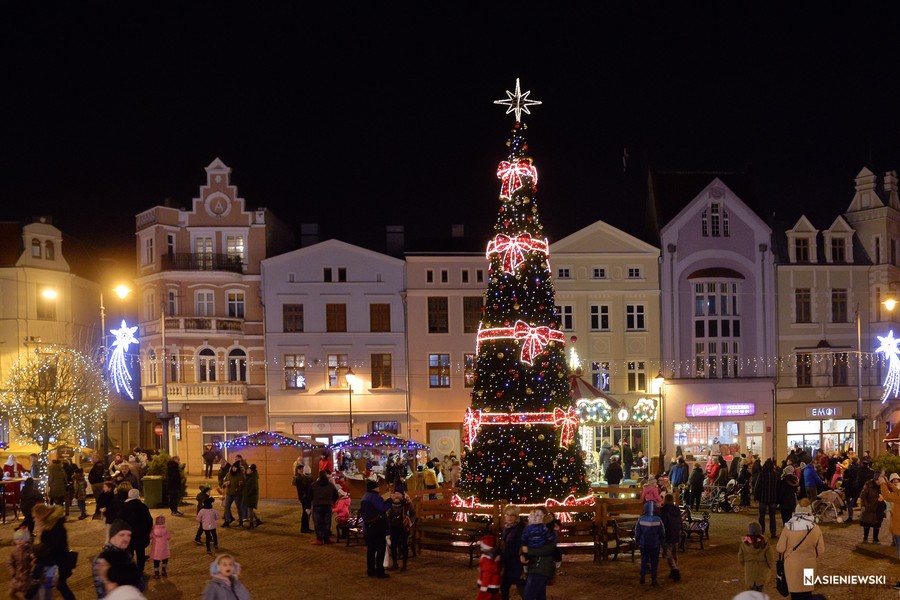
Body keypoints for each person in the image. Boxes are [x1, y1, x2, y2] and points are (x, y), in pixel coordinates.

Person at [775, 499, 824, 600]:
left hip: (792, 566)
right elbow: (821, 550)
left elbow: (780, 548)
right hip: (809, 565)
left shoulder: (788, 527)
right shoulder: (815, 528)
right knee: (807, 593)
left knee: (795, 593)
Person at [30, 504, 75, 600]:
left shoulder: (51, 529)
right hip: (55, 562)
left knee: (55, 585)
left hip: (56, 563)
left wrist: (40, 534)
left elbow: (49, 549)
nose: (34, 520)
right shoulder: (53, 525)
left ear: (40, 515)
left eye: (35, 517)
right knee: (57, 585)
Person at [93, 520, 138, 599]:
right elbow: (102, 592)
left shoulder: (126, 555)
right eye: (122, 535)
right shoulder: (103, 559)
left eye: (129, 535)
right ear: (112, 536)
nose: (126, 539)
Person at [519, 506, 556, 600]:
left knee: (529, 593)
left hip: (542, 565)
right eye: (534, 515)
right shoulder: (529, 528)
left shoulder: (549, 530)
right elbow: (523, 542)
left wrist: (529, 551)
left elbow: (549, 548)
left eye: (539, 515)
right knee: (539, 594)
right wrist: (522, 554)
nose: (536, 517)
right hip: (532, 564)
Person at [360, 479, 391, 578]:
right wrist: (390, 501)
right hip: (377, 526)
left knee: (371, 549)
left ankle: (370, 570)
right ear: (375, 488)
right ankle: (380, 571)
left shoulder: (364, 496)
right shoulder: (375, 497)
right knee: (380, 548)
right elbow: (382, 508)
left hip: (368, 527)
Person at [119, 488, 153, 573]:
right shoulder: (143, 507)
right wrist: (147, 531)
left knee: (129, 553)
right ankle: (140, 570)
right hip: (141, 534)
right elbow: (149, 521)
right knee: (140, 553)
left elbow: (119, 521)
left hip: (128, 535)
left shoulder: (124, 507)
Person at [634, 501, 665, 586]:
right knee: (654, 562)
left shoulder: (641, 519)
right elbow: (662, 533)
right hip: (655, 544)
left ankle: (642, 577)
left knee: (644, 560)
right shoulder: (658, 520)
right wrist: (662, 543)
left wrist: (637, 541)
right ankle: (654, 579)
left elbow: (637, 532)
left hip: (644, 544)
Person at [738, 521, 774, 592]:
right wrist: (770, 566)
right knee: (761, 592)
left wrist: (746, 565)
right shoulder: (765, 543)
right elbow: (770, 557)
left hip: (749, 572)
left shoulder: (744, 544)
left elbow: (740, 558)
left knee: (751, 593)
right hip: (762, 572)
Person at [500, 505, 525, 600]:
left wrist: (502, 556)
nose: (509, 517)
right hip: (509, 562)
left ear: (516, 516)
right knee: (504, 586)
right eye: (507, 515)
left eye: (512, 515)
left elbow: (517, 547)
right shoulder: (507, 527)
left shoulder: (520, 528)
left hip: (517, 562)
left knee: (521, 587)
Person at [387, 488, 414, 571]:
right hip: (394, 527)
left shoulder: (407, 504)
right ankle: (395, 564)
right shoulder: (391, 503)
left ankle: (404, 565)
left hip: (403, 527)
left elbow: (413, 514)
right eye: (395, 493)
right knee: (393, 545)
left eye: (398, 494)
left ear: (402, 495)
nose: (396, 495)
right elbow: (388, 514)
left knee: (404, 545)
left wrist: (409, 523)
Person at [309, 471, 338, 545]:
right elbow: (336, 495)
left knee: (318, 523)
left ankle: (319, 539)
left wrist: (311, 503)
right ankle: (326, 539)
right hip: (328, 506)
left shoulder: (313, 485)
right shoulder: (331, 485)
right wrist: (332, 502)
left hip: (317, 506)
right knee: (327, 523)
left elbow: (309, 496)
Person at [659, 493, 682, 582]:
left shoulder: (664, 510)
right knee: (674, 553)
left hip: (668, 535)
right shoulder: (677, 509)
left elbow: (663, 523)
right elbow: (680, 521)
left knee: (668, 554)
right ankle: (673, 570)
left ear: (665, 500)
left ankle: (675, 569)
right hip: (676, 533)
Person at [753, 458, 778, 539]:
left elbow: (757, 486)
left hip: (763, 498)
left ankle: (761, 532)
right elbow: (778, 487)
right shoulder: (775, 475)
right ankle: (773, 533)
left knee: (761, 516)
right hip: (772, 498)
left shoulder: (762, 474)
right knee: (772, 516)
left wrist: (755, 496)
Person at [8, 526, 35, 599]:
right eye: (17, 539)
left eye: (22, 539)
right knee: (10, 593)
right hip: (17, 578)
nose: (19, 541)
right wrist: (13, 572)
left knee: (25, 596)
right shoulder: (14, 551)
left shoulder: (30, 551)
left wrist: (32, 564)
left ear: (27, 540)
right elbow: (10, 563)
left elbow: (35, 562)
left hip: (27, 579)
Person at [879, 473, 900, 558]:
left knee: (898, 541)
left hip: (898, 523)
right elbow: (897, 491)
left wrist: (883, 484)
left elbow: (887, 496)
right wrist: (887, 483)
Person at [859, 477, 885, 543]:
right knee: (867, 524)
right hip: (869, 508)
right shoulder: (868, 485)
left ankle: (875, 538)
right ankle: (865, 538)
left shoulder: (883, 486)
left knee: (877, 524)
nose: (878, 481)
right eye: (877, 480)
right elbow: (863, 496)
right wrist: (866, 505)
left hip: (878, 508)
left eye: (879, 480)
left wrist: (883, 501)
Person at [476, 534, 502, 600]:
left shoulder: (486, 559)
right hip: (494, 583)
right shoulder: (492, 557)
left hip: (489, 585)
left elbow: (487, 574)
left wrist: (484, 587)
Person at [222, 463, 246, 528]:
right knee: (227, 507)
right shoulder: (229, 474)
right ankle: (227, 521)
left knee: (239, 508)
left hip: (237, 494)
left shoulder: (240, 475)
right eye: (233, 467)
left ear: (237, 468)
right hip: (229, 493)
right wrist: (225, 483)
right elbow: (224, 481)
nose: (234, 469)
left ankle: (241, 521)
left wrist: (238, 488)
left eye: (235, 468)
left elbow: (243, 483)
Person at [148, 515, 171, 579]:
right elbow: (169, 537)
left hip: (156, 549)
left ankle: (156, 574)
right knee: (165, 559)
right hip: (164, 549)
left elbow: (150, 536)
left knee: (156, 561)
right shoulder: (165, 529)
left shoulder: (153, 530)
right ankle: (163, 570)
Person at [293, 465, 313, 533]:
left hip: (306, 497)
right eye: (300, 469)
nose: (302, 470)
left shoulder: (303, 477)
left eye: (302, 469)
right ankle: (304, 528)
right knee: (305, 512)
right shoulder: (299, 478)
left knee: (307, 512)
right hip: (304, 497)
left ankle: (306, 527)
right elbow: (302, 488)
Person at [842, 457, 860, 522]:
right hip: (856, 488)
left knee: (849, 504)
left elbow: (845, 479)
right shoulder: (859, 469)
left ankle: (850, 517)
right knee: (851, 502)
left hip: (849, 488)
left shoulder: (849, 469)